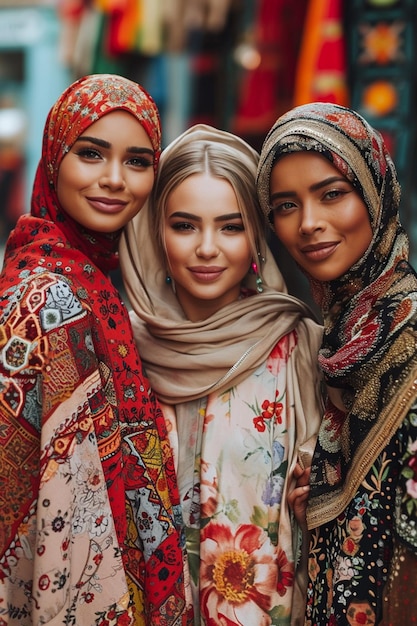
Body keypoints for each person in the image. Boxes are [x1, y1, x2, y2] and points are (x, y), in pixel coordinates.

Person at [0, 74, 192, 626]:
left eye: (137, 161)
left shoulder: (96, 279)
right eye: (91, 153)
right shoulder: (52, 295)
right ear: (56, 158)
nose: (114, 181)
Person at [119, 124, 324, 625]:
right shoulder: (118, 345)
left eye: (231, 227)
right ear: (154, 231)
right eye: (185, 226)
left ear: (257, 235)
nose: (207, 248)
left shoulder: (301, 347)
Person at [256, 102, 417, 625]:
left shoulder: (407, 340)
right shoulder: (339, 343)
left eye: (332, 194)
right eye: (285, 205)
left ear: (374, 193)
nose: (309, 224)